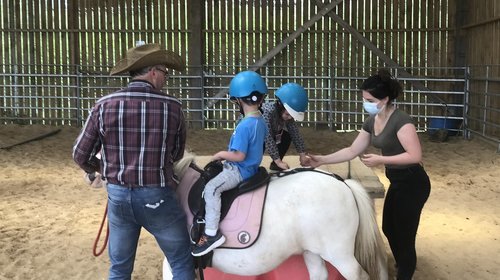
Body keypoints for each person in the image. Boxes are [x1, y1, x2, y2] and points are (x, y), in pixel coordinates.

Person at [72, 43, 195, 280]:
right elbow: (177, 154)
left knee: (119, 268)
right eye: (165, 73)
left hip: (118, 197)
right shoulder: (172, 107)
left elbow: (80, 154)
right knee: (180, 261)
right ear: (153, 72)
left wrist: (103, 169)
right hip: (157, 198)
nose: (165, 78)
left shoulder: (104, 105)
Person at [307, 69, 431, 280]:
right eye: (365, 99)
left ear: (385, 99)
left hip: (413, 182)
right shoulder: (372, 120)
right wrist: (322, 159)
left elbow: (415, 155)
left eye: (370, 99)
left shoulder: (401, 121)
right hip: (398, 181)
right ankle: (403, 266)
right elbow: (352, 150)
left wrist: (381, 160)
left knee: (404, 236)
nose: (366, 102)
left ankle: (405, 272)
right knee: (389, 228)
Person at [191, 70, 268, 257]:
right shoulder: (261, 121)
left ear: (239, 101)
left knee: (211, 189)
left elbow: (239, 155)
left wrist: (220, 154)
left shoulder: (244, 125)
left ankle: (211, 234)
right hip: (251, 167)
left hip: (239, 170)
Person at [261, 82, 309, 171]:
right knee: (260, 140)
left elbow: (295, 134)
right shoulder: (266, 112)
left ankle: (275, 165)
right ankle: (252, 166)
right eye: (288, 114)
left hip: (270, 136)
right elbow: (267, 138)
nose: (290, 118)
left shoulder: (286, 114)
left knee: (287, 136)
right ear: (280, 106)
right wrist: (279, 161)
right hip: (256, 139)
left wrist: (303, 155)